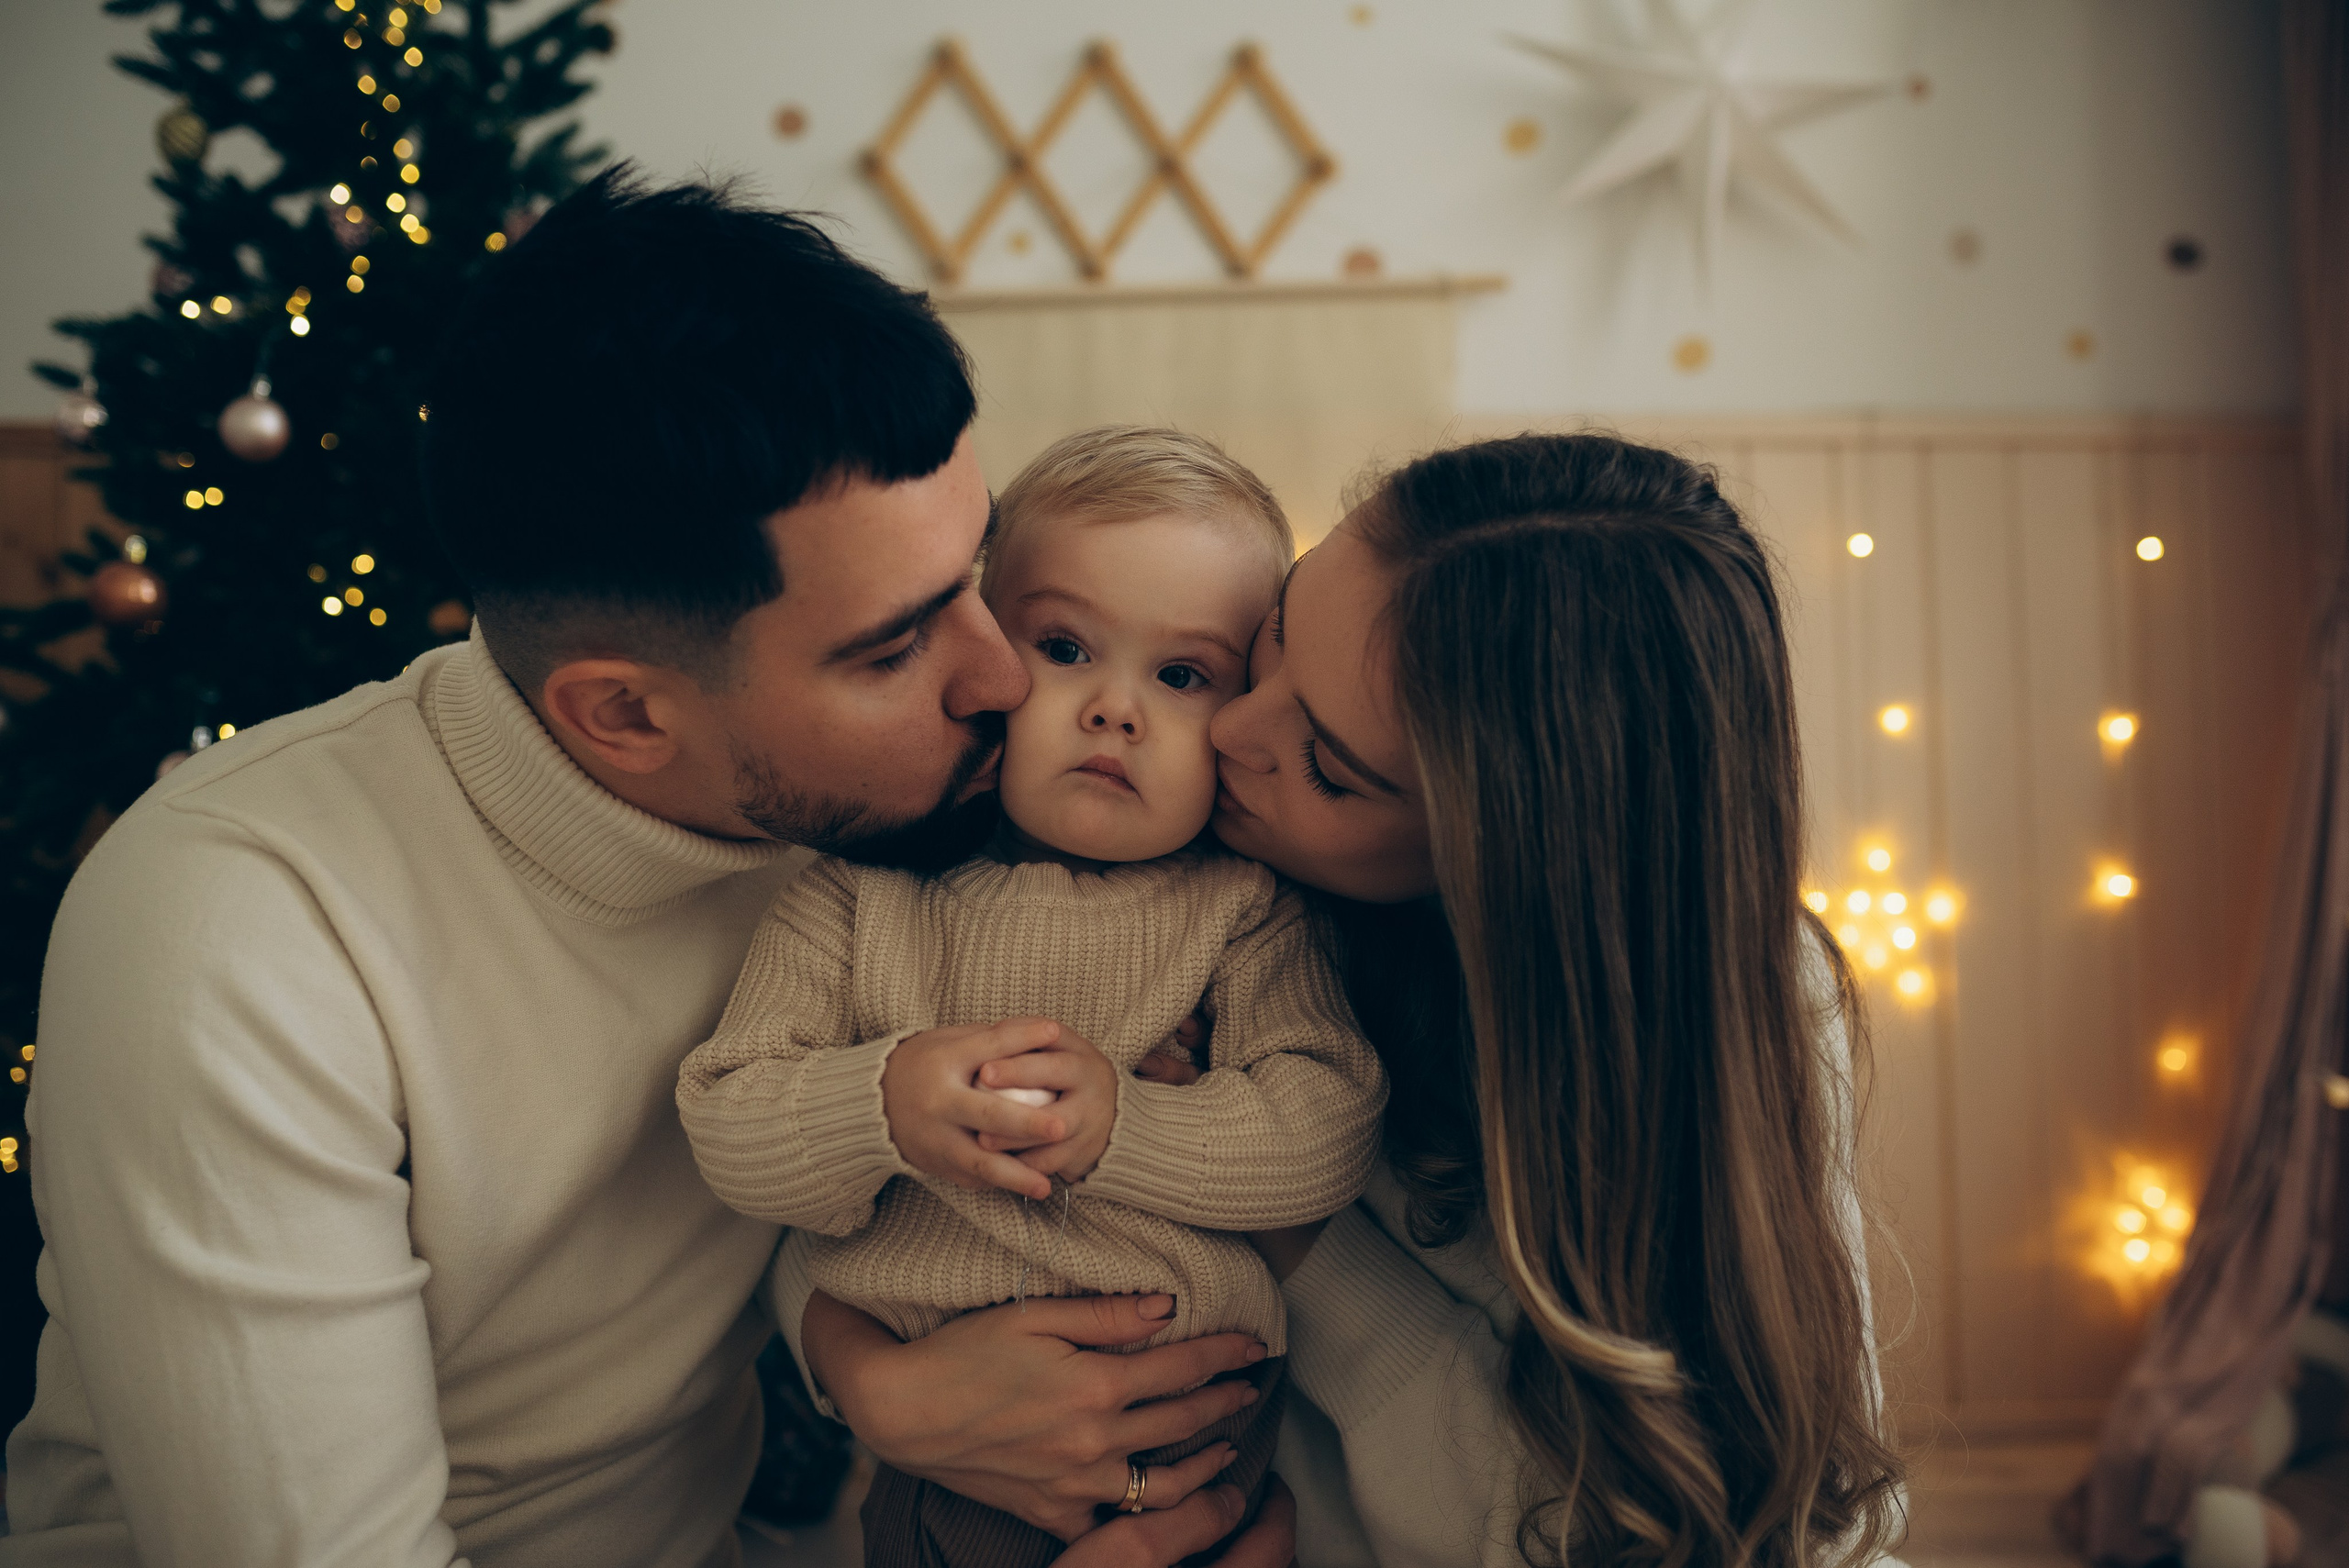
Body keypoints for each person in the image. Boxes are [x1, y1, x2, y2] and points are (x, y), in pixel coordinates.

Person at [1, 173, 1285, 1568]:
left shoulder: (891, 806)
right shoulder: (233, 934)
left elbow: (769, 1150)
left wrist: (860, 1360)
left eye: (978, 577)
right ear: (626, 716)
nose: (998, 678)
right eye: (895, 645)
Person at [787, 432, 1907, 1567]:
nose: (1226, 727)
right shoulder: (1045, 860)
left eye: (1327, 763)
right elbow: (840, 1178)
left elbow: (1744, 1515)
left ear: (1497, 863)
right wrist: (861, 1369)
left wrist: (1273, 1218)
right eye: (1268, 641)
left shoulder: (1721, 1013)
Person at [676, 427, 1386, 1566]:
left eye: (1183, 674)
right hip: (942, 1468)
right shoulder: (857, 898)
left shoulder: (1245, 908)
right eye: (1063, 645)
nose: (1116, 708)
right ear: (983, 656)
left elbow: (1325, 1130)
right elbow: (730, 1126)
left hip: (1197, 1454)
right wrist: (880, 1101)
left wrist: (1129, 1124)